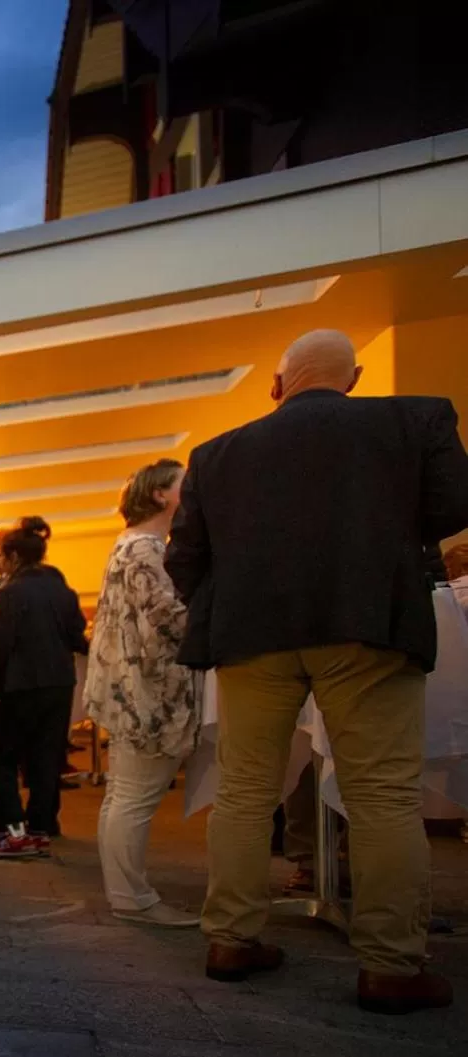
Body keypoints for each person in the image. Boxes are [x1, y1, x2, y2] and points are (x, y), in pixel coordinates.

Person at [166, 328, 468, 1012]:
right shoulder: (414, 418)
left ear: (276, 386)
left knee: (244, 792)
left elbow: (184, 558)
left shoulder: (216, 455)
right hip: (368, 625)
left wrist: (229, 603)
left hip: (251, 638)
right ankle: (390, 965)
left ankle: (230, 940)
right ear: (354, 377)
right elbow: (454, 507)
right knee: (382, 797)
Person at [82, 459, 200, 927]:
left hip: (130, 689)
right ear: (160, 496)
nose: (190, 493)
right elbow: (169, 618)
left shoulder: (131, 546)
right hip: (146, 693)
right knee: (133, 798)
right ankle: (132, 899)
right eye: (182, 486)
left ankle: (126, 892)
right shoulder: (146, 549)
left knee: (123, 797)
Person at [0, 517, 86, 857]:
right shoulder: (60, 586)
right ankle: (43, 825)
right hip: (59, 682)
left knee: (4, 759)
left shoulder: (12, 592)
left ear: (12, 556)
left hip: (19, 685)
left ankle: (15, 832)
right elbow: (76, 634)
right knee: (46, 756)